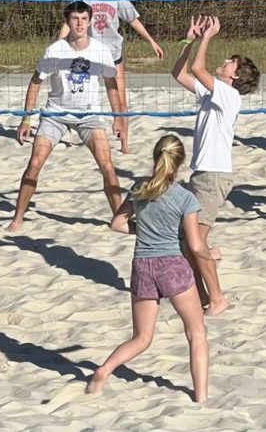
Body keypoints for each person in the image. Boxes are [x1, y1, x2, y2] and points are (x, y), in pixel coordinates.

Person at [86, 135, 212, 402]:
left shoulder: (139, 188)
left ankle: (104, 369)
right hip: (172, 266)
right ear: (179, 164)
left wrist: (143, 229)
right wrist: (213, 254)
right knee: (196, 332)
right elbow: (195, 245)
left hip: (142, 266)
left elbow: (117, 225)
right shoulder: (185, 198)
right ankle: (200, 396)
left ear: (156, 158)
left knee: (142, 338)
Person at [7, 1, 123, 232]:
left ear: (89, 21)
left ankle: (119, 219)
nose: (79, 23)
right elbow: (35, 82)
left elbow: (111, 85)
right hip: (56, 114)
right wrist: (26, 118)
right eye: (74, 19)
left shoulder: (101, 51)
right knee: (35, 163)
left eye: (83, 19)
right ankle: (18, 217)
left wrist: (118, 117)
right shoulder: (55, 50)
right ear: (68, 22)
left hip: (89, 115)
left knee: (107, 166)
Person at [171, 15, 260, 316]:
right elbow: (179, 73)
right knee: (188, 245)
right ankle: (202, 294)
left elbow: (197, 68)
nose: (226, 60)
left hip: (214, 176)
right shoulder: (214, 92)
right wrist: (189, 39)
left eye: (231, 61)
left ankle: (218, 298)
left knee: (196, 243)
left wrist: (208, 36)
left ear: (235, 76)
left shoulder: (230, 95)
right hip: (203, 174)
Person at [59, 0, 164, 154]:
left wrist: (152, 41)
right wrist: (58, 46)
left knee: (120, 101)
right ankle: (69, 128)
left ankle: (124, 142)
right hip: (89, 56)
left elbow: (134, 21)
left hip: (112, 55)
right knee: (78, 95)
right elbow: (68, 23)